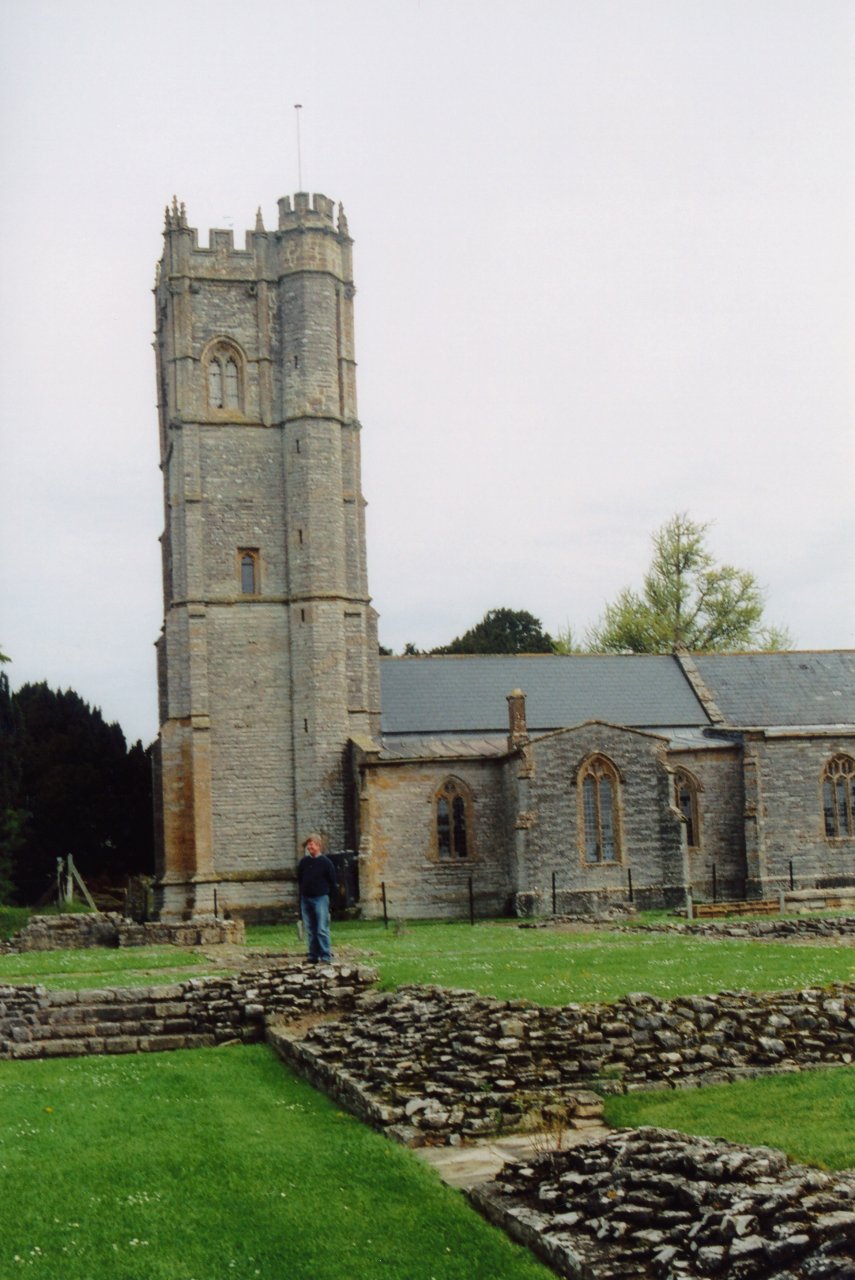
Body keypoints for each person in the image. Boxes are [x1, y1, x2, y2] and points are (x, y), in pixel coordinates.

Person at [297, 832, 337, 964]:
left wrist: (331, 902)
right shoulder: (304, 862)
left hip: (320, 898)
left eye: (311, 844)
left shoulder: (326, 863)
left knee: (321, 928)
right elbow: (300, 880)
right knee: (310, 929)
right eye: (308, 845)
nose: (309, 847)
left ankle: (325, 955)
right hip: (306, 898)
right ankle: (313, 955)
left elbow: (332, 882)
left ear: (318, 846)